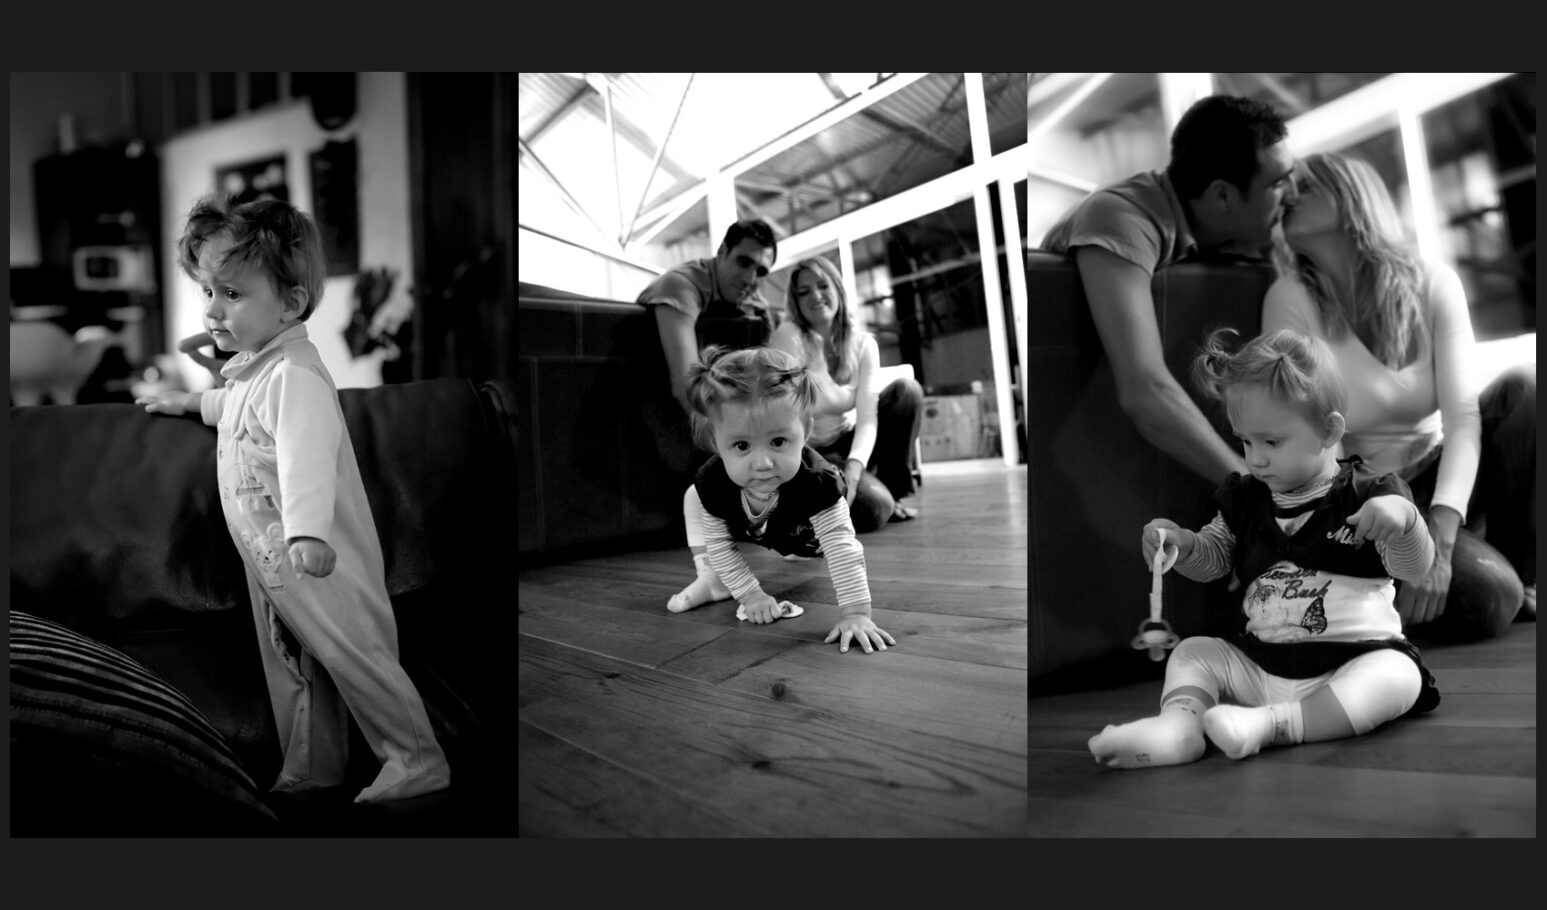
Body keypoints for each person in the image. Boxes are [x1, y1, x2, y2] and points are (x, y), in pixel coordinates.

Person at [135, 194, 451, 804]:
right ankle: (313, 767)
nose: (212, 310)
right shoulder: (257, 371)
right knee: (296, 666)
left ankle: (418, 760)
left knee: (355, 655)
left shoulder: (294, 375)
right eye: (207, 291)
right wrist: (190, 402)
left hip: (317, 558)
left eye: (232, 293)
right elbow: (235, 409)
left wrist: (307, 532)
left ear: (289, 303)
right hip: (274, 561)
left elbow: (307, 457)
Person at [1089, 328, 1440, 769]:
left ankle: (1274, 725)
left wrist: (1404, 523)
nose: (1255, 458)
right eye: (1245, 441)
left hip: (1351, 661)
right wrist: (1183, 546)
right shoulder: (1245, 500)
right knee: (1193, 652)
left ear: (1328, 430)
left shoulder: (1371, 496)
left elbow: (1414, 567)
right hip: (1263, 664)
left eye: (1271, 442)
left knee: (1398, 675)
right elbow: (1214, 559)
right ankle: (1178, 729)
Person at [1264, 150, 1535, 639]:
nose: (1288, 195)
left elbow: (1462, 420)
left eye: (1307, 185)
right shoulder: (1289, 298)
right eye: (1287, 188)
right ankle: (1475, 579)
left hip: (1439, 474)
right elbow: (1309, 443)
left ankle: (1506, 567)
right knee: (1494, 597)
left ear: (1353, 195)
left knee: (1524, 391)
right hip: (1369, 499)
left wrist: (1443, 540)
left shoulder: (1432, 282)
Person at [1040, 94, 1299, 487]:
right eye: (1278, 183)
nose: (1293, 193)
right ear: (1222, 196)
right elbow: (1144, 391)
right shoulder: (1121, 217)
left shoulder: (1249, 234)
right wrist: (1252, 487)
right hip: (1082, 460)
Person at [664, 344, 896, 655]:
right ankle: (711, 578)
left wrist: (855, 614)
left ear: (805, 431)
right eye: (742, 446)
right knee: (694, 495)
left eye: (778, 441)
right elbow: (720, 547)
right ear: (716, 443)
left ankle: (794, 553)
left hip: (808, 539)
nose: (762, 463)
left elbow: (842, 549)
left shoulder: (817, 484)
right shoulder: (715, 481)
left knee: (837, 532)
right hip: (763, 528)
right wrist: (751, 595)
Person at [769, 255, 924, 530]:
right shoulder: (789, 336)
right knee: (876, 509)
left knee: (907, 392)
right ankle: (844, 502)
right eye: (804, 292)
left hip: (843, 441)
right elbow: (783, 417)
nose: (815, 296)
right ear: (796, 302)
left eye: (822, 286)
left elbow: (867, 419)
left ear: (837, 289)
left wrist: (853, 470)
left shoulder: (863, 344)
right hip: (810, 453)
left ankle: (891, 492)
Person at [640, 218, 780, 423]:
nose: (749, 279)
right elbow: (685, 385)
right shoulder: (681, 285)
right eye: (743, 263)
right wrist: (734, 436)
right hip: (644, 401)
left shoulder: (753, 300)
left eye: (760, 272)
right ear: (722, 251)